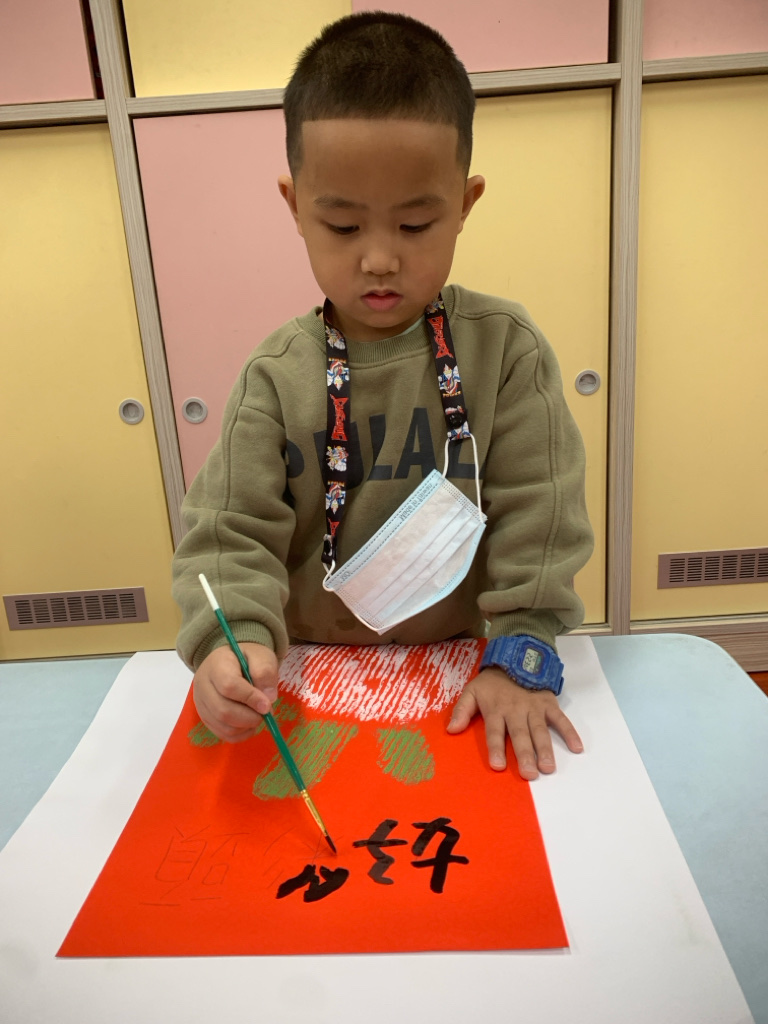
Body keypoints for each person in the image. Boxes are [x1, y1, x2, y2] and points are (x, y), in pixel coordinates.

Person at [172, 11, 594, 781]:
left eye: (415, 222)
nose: (378, 258)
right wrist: (231, 643)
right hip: (303, 675)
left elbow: (541, 514)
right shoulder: (275, 375)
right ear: (294, 206)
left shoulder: (505, 349)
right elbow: (230, 535)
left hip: (466, 671)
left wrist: (521, 649)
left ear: (465, 203)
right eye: (341, 225)